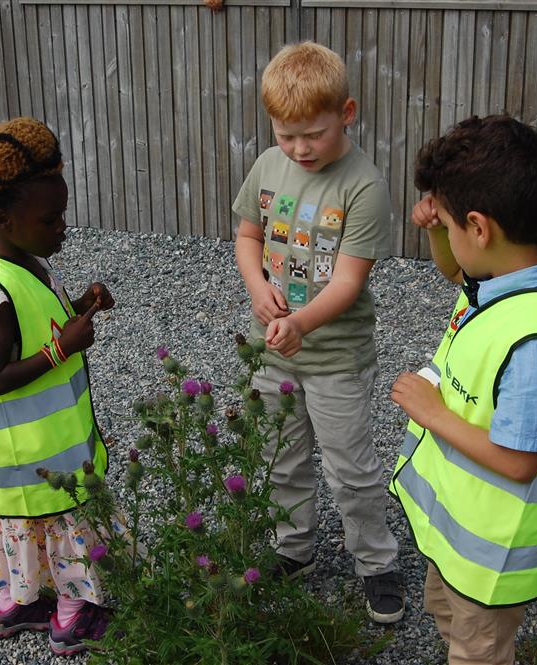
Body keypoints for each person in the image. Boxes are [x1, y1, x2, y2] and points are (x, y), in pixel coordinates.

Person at [389, 114, 537, 665]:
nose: (445, 241)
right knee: (452, 625)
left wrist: (433, 414)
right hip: (462, 543)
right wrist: (435, 227)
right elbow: (459, 273)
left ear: (479, 228)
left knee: (478, 652)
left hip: (493, 561)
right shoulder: (511, 273)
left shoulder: (533, 346)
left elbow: (521, 462)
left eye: (450, 226)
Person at [232, 41, 403, 624]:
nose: (300, 149)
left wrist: (298, 322)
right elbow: (248, 236)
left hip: (335, 358)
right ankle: (292, 548)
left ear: (347, 113)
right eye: (286, 135)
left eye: (315, 134)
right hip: (276, 351)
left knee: (350, 468)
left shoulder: (363, 186)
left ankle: (376, 562)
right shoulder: (267, 165)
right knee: (282, 457)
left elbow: (349, 282)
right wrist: (259, 291)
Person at [0, 116, 119, 656]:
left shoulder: (28, 262)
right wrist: (63, 347)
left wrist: (81, 306)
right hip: (31, 458)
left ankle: (20, 600)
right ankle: (71, 616)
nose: (62, 228)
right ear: (3, 218)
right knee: (60, 527)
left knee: (32, 531)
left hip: (35, 455)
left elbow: (41, 322)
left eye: (62, 215)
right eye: (52, 219)